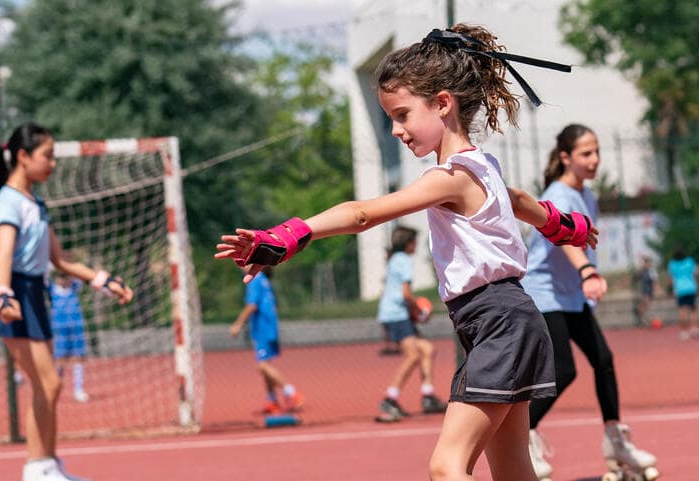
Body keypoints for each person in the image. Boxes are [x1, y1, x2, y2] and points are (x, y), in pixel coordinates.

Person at [214, 24, 587, 481]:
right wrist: (568, 226)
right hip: (509, 319)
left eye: (403, 115)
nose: (395, 130)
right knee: (513, 471)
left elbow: (363, 214)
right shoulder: (483, 168)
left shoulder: (450, 177)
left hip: (498, 321)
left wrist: (290, 235)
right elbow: (525, 203)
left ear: (443, 103)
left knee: (447, 468)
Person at [0, 123, 135, 481]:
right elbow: (3, 253)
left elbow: (60, 260)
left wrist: (101, 279)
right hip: (14, 294)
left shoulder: (37, 204)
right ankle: (37, 468)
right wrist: (2, 293)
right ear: (23, 157)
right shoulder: (7, 201)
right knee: (47, 383)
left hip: (35, 293)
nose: (53, 163)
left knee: (49, 384)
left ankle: (48, 464)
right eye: (47, 156)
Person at [520, 124, 656, 481]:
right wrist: (586, 272)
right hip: (545, 290)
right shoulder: (559, 195)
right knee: (564, 370)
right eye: (585, 153)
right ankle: (520, 439)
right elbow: (563, 236)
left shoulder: (586, 194)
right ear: (566, 157)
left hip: (572, 294)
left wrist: (583, 277)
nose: (594, 160)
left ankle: (616, 442)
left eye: (596, 152)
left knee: (604, 361)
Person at [374, 226, 447, 422]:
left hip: (394, 314)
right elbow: (406, 294)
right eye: (415, 242)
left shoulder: (394, 260)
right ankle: (390, 398)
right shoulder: (404, 261)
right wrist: (420, 309)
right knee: (414, 355)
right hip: (396, 315)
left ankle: (428, 395)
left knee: (428, 349)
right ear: (409, 244)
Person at [227, 268, 304, 415]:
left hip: (264, 328)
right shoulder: (262, 278)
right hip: (268, 327)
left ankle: (291, 393)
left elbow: (252, 305)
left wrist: (238, 324)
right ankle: (272, 401)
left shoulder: (254, 279)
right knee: (265, 365)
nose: (239, 265)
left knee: (262, 366)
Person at [49, 271, 91, 403]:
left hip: (76, 328)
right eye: (61, 277)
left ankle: (78, 389)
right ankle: (55, 387)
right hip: (60, 330)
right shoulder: (52, 290)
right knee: (60, 360)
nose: (64, 280)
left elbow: (81, 276)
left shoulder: (73, 288)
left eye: (66, 277)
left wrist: (67, 267)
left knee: (79, 357)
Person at [667, 249, 699, 340]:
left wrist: (669, 289)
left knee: (682, 311)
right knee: (693, 309)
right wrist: (697, 285)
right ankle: (694, 329)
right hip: (691, 288)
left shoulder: (672, 264)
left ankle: (684, 332)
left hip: (680, 289)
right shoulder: (690, 261)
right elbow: (694, 274)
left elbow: (671, 278)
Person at [633, 256, 657, 328]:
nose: (646, 264)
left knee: (646, 305)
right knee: (646, 303)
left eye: (647, 263)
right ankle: (642, 319)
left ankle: (639, 311)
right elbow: (636, 278)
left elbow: (654, 281)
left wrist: (655, 290)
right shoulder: (641, 271)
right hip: (644, 290)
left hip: (650, 290)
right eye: (645, 263)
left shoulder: (652, 271)